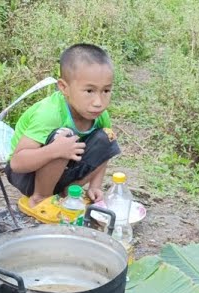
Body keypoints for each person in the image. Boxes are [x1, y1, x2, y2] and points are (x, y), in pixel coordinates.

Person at [7, 43, 120, 222]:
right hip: (27, 176)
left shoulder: (100, 115)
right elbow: (17, 163)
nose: (99, 102)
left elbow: (103, 152)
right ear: (64, 87)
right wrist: (54, 150)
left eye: (106, 90)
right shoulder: (49, 113)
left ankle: (67, 193)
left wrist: (95, 185)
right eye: (89, 91)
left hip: (63, 170)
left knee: (106, 137)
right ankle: (40, 198)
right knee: (65, 136)